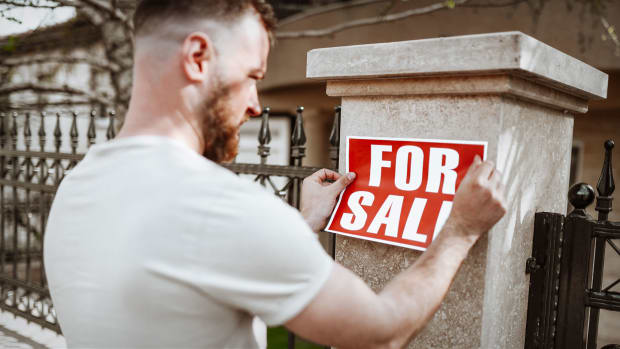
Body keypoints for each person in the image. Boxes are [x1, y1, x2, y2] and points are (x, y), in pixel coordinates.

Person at [43, 0, 507, 348]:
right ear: (198, 57)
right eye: (252, 74)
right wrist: (461, 230)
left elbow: (184, 272)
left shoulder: (78, 184)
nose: (255, 103)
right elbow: (380, 331)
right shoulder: (223, 207)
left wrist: (299, 225)